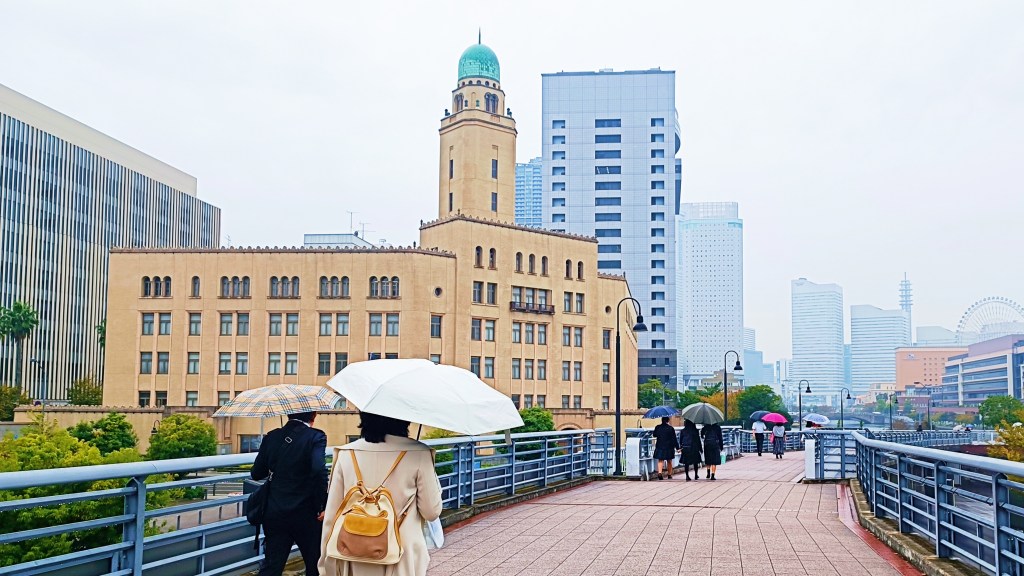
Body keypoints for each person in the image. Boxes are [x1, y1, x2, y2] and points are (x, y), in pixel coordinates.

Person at [319, 412, 443, 576]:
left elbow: (332, 517)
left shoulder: (346, 453)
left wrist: (326, 566)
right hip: (402, 554)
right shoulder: (419, 453)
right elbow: (431, 512)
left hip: (353, 551)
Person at [251, 411, 329, 576]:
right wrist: (323, 504)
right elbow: (318, 470)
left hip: (274, 511)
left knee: (272, 566)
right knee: (315, 564)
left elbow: (256, 473)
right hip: (307, 512)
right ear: (313, 416)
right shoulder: (316, 436)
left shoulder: (272, 436)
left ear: (288, 415)